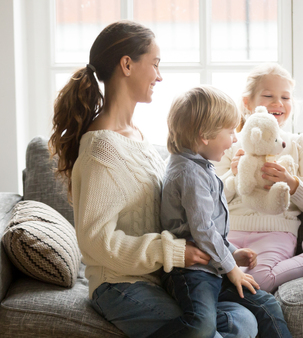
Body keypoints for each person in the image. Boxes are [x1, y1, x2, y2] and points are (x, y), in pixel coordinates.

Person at [49, 21, 257, 338]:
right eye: (155, 64)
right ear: (127, 65)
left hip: (155, 279)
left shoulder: (139, 138)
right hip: (118, 285)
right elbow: (95, 242)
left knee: (245, 321)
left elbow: (177, 211)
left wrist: (222, 254)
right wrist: (172, 252)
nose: (159, 76)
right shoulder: (101, 149)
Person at [160, 85, 292, 338]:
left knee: (266, 304)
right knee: (200, 325)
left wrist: (233, 253)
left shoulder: (199, 166)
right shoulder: (189, 172)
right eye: (230, 132)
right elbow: (202, 230)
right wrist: (231, 267)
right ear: (204, 135)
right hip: (192, 274)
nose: (234, 139)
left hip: (212, 267)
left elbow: (209, 229)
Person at [214, 63, 303, 293]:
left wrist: (293, 185)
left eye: (285, 97)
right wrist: (233, 173)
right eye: (268, 95)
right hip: (231, 230)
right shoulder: (231, 143)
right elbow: (212, 198)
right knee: (219, 283)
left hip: (276, 231)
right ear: (247, 103)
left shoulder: (299, 144)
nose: (278, 103)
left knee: (259, 282)